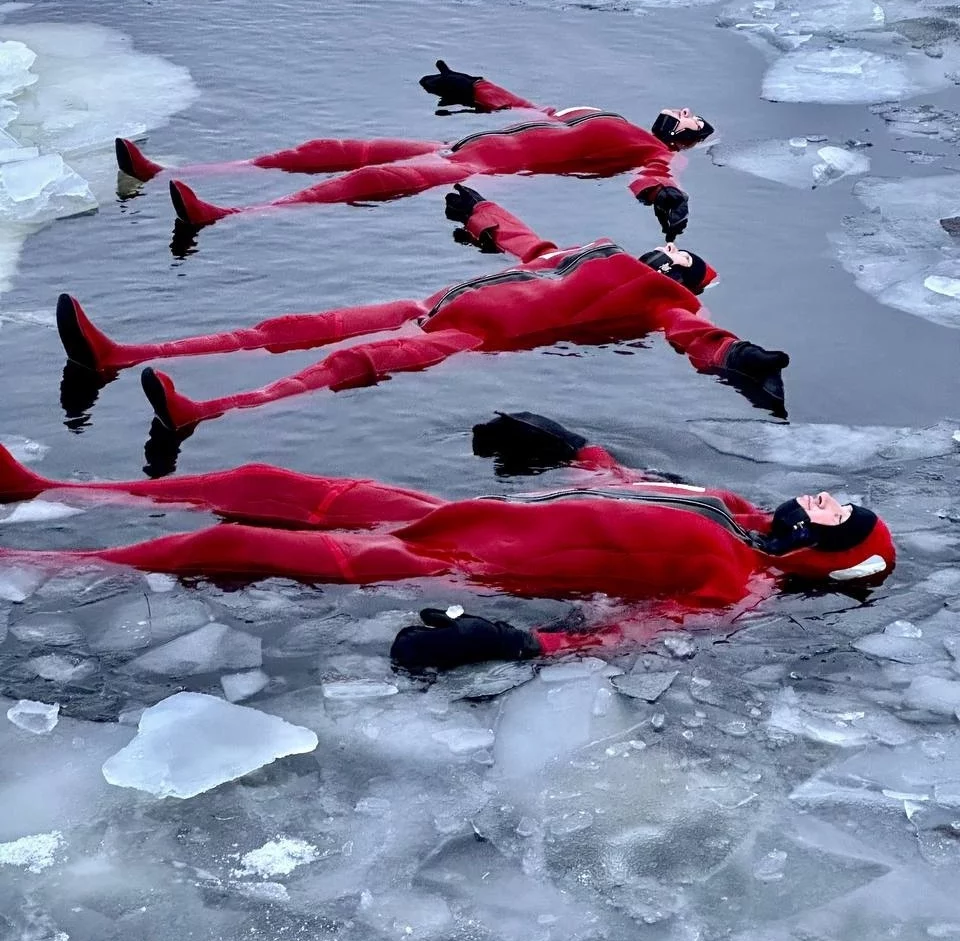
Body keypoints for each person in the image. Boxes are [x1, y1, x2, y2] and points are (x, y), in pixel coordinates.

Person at [0, 412, 895, 672]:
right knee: (264, 484)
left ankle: (37, 560)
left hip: (443, 559)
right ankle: (48, 488)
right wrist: (573, 449)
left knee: (215, 547)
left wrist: (518, 641)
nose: (825, 496)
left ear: (825, 551)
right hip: (437, 508)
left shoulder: (735, 585)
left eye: (837, 512)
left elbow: (631, 636)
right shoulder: (733, 507)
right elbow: (628, 486)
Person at [55, 186, 789, 433]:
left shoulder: (661, 300)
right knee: (294, 326)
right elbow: (528, 245)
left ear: (689, 281)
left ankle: (203, 413)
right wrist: (479, 213)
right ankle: (120, 354)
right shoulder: (593, 251)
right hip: (431, 304)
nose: (672, 261)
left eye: (687, 267)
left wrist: (739, 358)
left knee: (351, 361)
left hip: (469, 333)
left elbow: (697, 335)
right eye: (676, 254)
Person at [120, 61, 710, 241]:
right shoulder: (600, 109)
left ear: (687, 133)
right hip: (458, 141)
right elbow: (529, 109)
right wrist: (475, 87)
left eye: (693, 119)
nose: (682, 112)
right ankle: (176, 169)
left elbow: (655, 175)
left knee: (366, 179)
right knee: (331, 149)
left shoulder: (651, 149)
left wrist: (665, 199)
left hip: (478, 163)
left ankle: (223, 214)